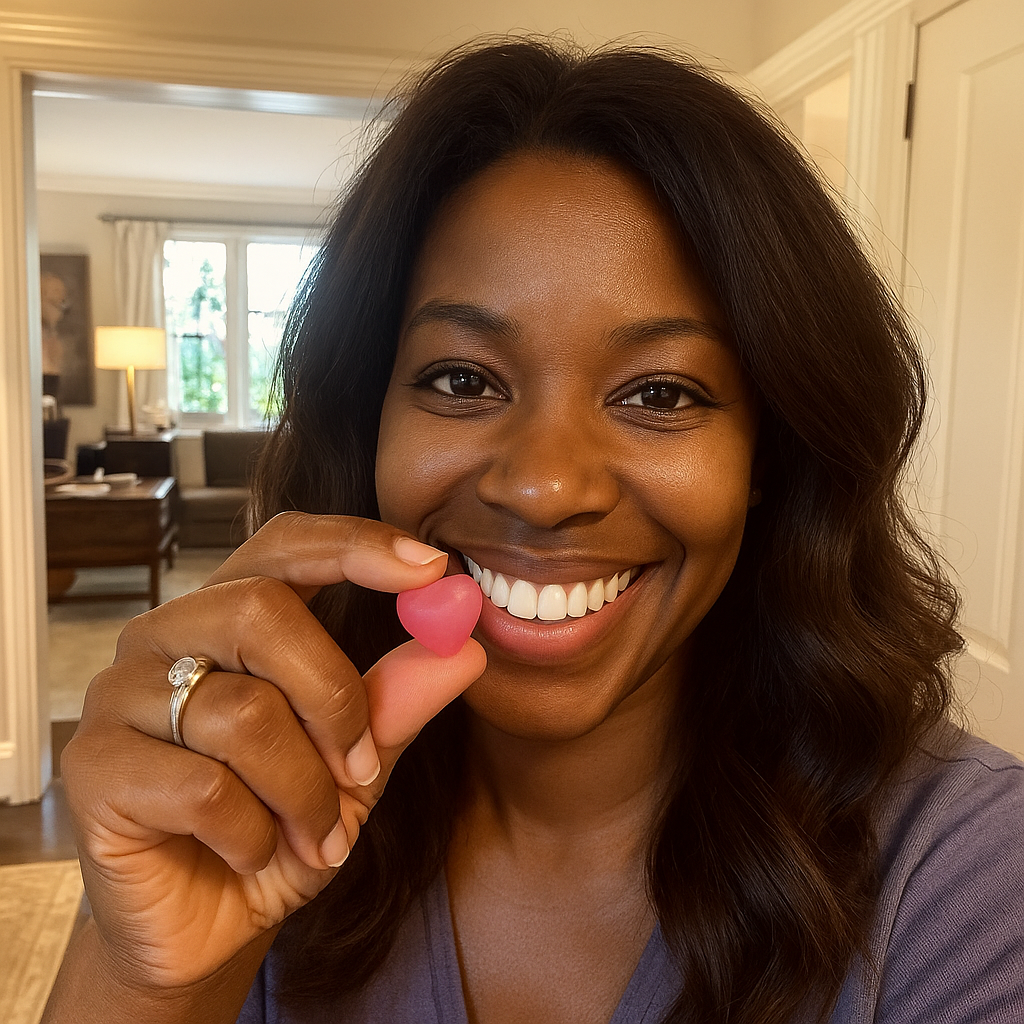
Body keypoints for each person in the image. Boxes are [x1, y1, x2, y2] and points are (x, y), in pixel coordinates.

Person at [46, 40, 1023, 1024]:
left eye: (660, 393)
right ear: (366, 418)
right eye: (462, 378)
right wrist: (146, 979)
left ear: (770, 452)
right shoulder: (248, 807)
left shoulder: (971, 875)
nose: (545, 487)